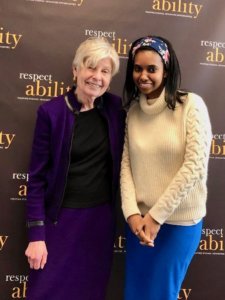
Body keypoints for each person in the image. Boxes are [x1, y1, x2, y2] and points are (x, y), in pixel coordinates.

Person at [25, 37, 125, 300]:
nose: (97, 77)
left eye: (105, 72)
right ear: (75, 70)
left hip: (99, 223)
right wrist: (37, 234)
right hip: (58, 223)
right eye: (90, 67)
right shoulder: (51, 113)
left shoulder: (116, 109)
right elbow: (36, 180)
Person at [120, 35, 212, 300]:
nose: (143, 75)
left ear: (167, 71)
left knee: (160, 294)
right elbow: (126, 167)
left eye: (152, 69)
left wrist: (156, 216)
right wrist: (132, 215)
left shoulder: (190, 105)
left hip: (177, 224)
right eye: (138, 68)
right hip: (139, 225)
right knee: (135, 293)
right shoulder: (134, 112)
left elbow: (194, 166)